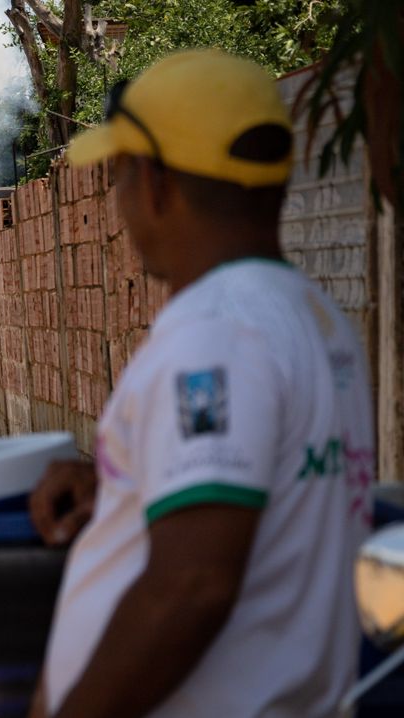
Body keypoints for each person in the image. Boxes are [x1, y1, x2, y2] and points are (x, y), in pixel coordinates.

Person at [27, 49, 374, 718]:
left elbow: (192, 586)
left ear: (155, 182)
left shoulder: (216, 333)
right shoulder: (315, 319)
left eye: (120, 175)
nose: (119, 202)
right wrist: (126, 479)